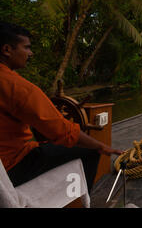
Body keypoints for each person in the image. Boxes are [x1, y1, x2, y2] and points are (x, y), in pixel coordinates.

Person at [0, 21, 123, 193]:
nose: (30, 53)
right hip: (12, 168)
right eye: (26, 48)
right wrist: (100, 146)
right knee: (90, 152)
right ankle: (80, 202)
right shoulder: (19, 88)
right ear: (7, 50)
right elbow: (61, 130)